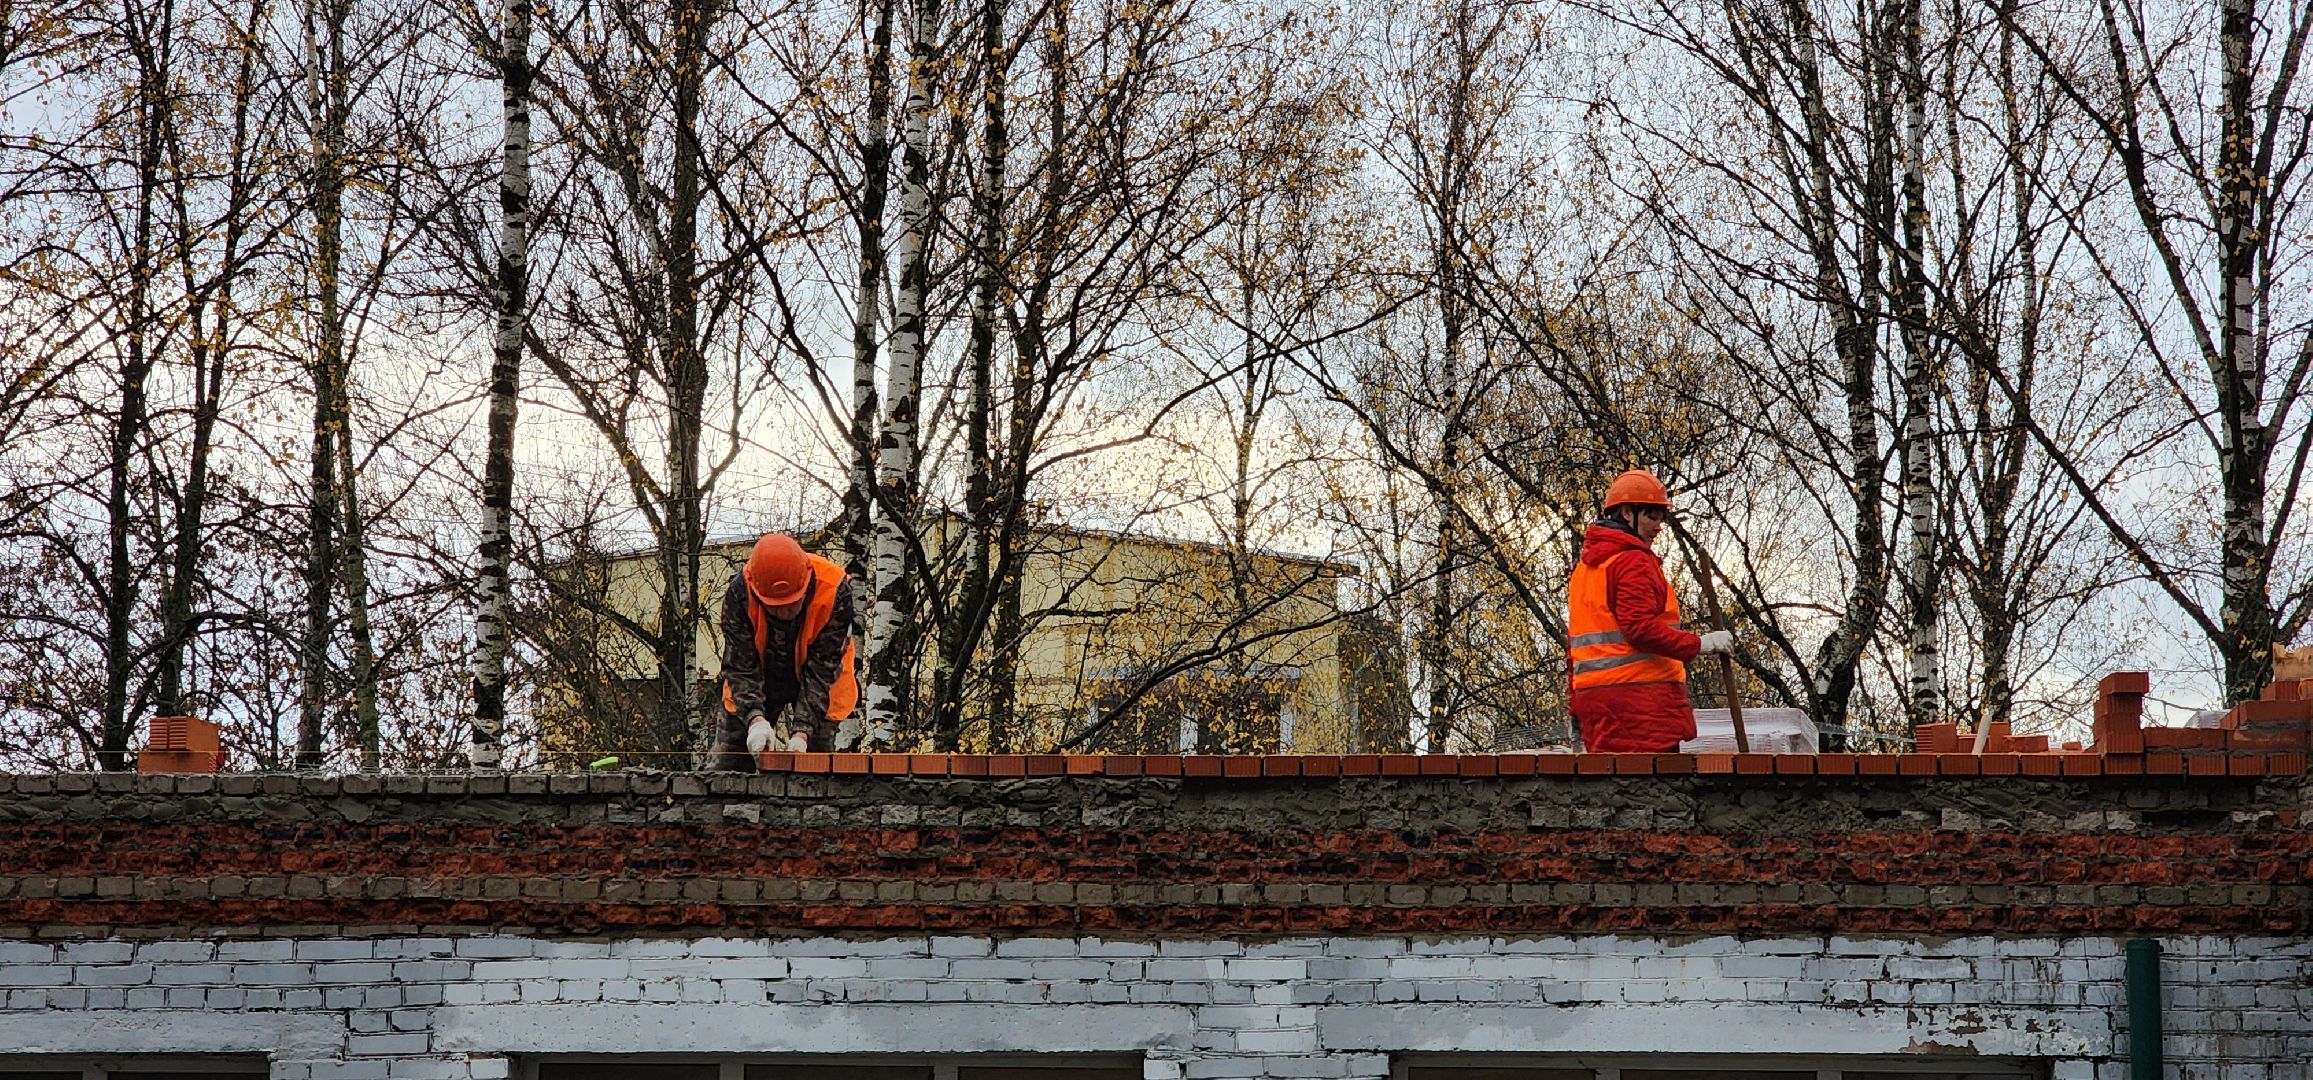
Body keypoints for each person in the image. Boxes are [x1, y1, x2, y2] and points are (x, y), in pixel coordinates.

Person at [1565, 470, 1734, 752]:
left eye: (1661, 518)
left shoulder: (1585, 569)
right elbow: (1639, 629)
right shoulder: (1632, 562)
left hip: (1596, 706)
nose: (1658, 526)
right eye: (1651, 516)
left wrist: (1575, 706)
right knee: (1657, 788)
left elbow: (1576, 647)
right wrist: (1701, 643)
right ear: (1627, 513)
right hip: (1641, 708)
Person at [704, 532, 859, 770]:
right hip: (759, 677)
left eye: (792, 604)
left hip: (822, 685)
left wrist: (802, 733)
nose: (785, 613)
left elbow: (823, 670)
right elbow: (739, 667)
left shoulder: (835, 591)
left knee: (818, 774)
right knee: (726, 764)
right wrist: (755, 720)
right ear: (757, 592)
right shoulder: (739, 593)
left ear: (807, 584)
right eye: (776, 607)